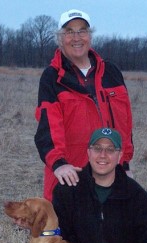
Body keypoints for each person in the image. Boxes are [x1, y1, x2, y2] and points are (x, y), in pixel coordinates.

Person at [34, 9, 134, 202]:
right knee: (60, 230)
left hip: (109, 172)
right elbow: (48, 126)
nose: (76, 37)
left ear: (90, 36)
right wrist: (59, 164)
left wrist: (125, 164)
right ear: (60, 39)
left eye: (82, 31)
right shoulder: (53, 77)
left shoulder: (111, 72)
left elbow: (125, 124)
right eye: (69, 31)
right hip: (71, 175)